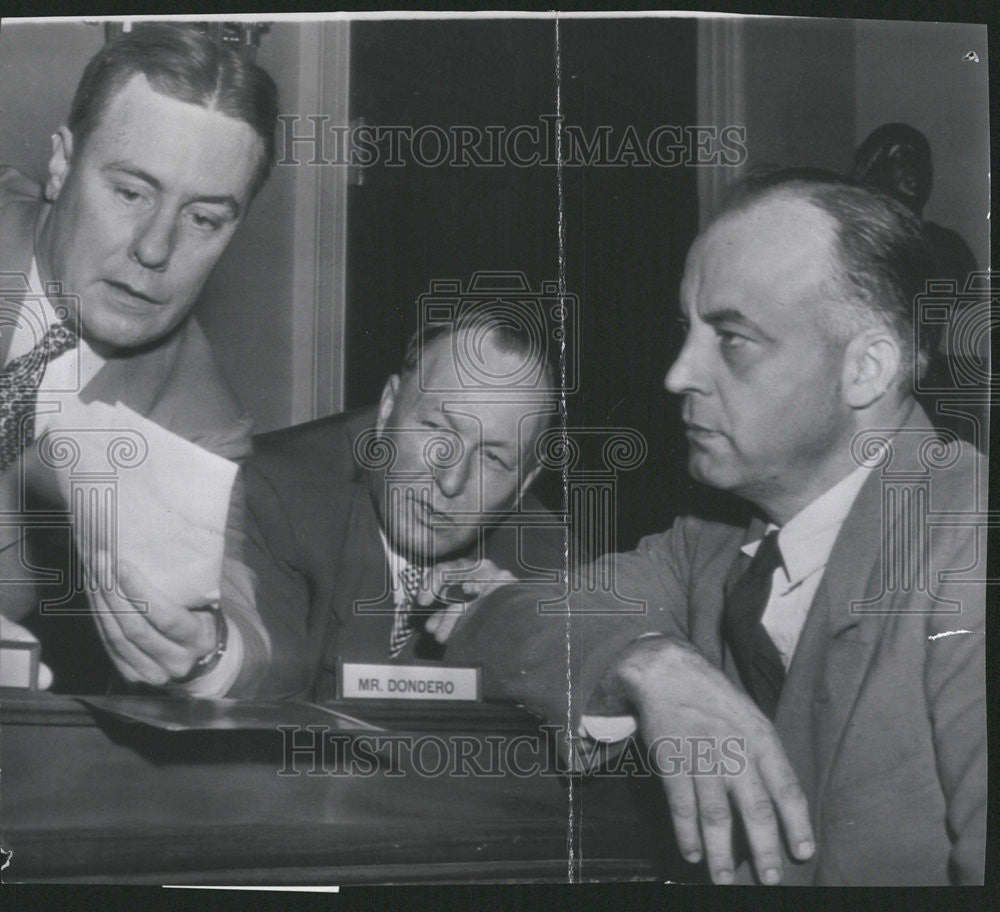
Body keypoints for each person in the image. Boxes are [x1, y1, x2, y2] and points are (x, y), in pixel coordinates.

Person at [443, 171, 986, 885]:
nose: (677, 375)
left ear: (867, 368)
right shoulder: (714, 542)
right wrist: (647, 663)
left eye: (732, 338)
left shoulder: (970, 538)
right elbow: (492, 620)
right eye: (686, 332)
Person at [0, 24, 278, 696]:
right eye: (130, 192)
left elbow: (237, 619)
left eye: (204, 219)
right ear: (62, 165)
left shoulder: (196, 415)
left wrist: (207, 651)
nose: (155, 248)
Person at [234, 306, 565, 700]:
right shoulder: (272, 496)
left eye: (493, 458)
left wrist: (520, 642)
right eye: (437, 429)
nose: (451, 479)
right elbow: (264, 718)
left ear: (525, 479)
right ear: (388, 407)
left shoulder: (550, 569)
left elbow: (592, 738)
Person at [852, 123, 985, 448]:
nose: (915, 168)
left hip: (934, 396)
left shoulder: (948, 246)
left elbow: (967, 336)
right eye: (900, 157)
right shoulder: (853, 244)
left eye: (921, 158)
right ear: (872, 168)